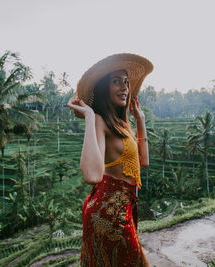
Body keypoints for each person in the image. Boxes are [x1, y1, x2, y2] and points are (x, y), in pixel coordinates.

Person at [67, 53, 153, 266]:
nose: (124, 87)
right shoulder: (100, 120)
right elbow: (92, 175)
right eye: (116, 81)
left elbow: (143, 161)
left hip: (124, 206)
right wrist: (89, 117)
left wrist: (140, 121)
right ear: (104, 87)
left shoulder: (122, 124)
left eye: (126, 82)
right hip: (107, 213)